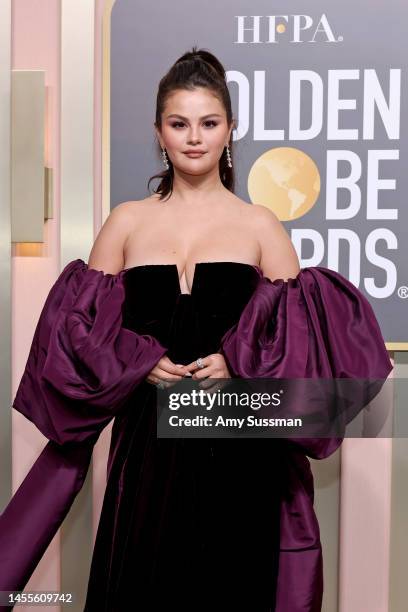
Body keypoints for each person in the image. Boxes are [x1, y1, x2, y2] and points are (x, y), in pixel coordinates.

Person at [0, 48, 392, 612]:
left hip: (237, 444)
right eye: (178, 124)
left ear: (231, 129)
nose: (194, 138)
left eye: (209, 123)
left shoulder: (260, 225)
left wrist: (238, 362)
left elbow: (301, 347)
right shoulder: (126, 221)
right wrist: (134, 360)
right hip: (146, 448)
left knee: (232, 587)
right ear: (159, 132)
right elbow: (74, 340)